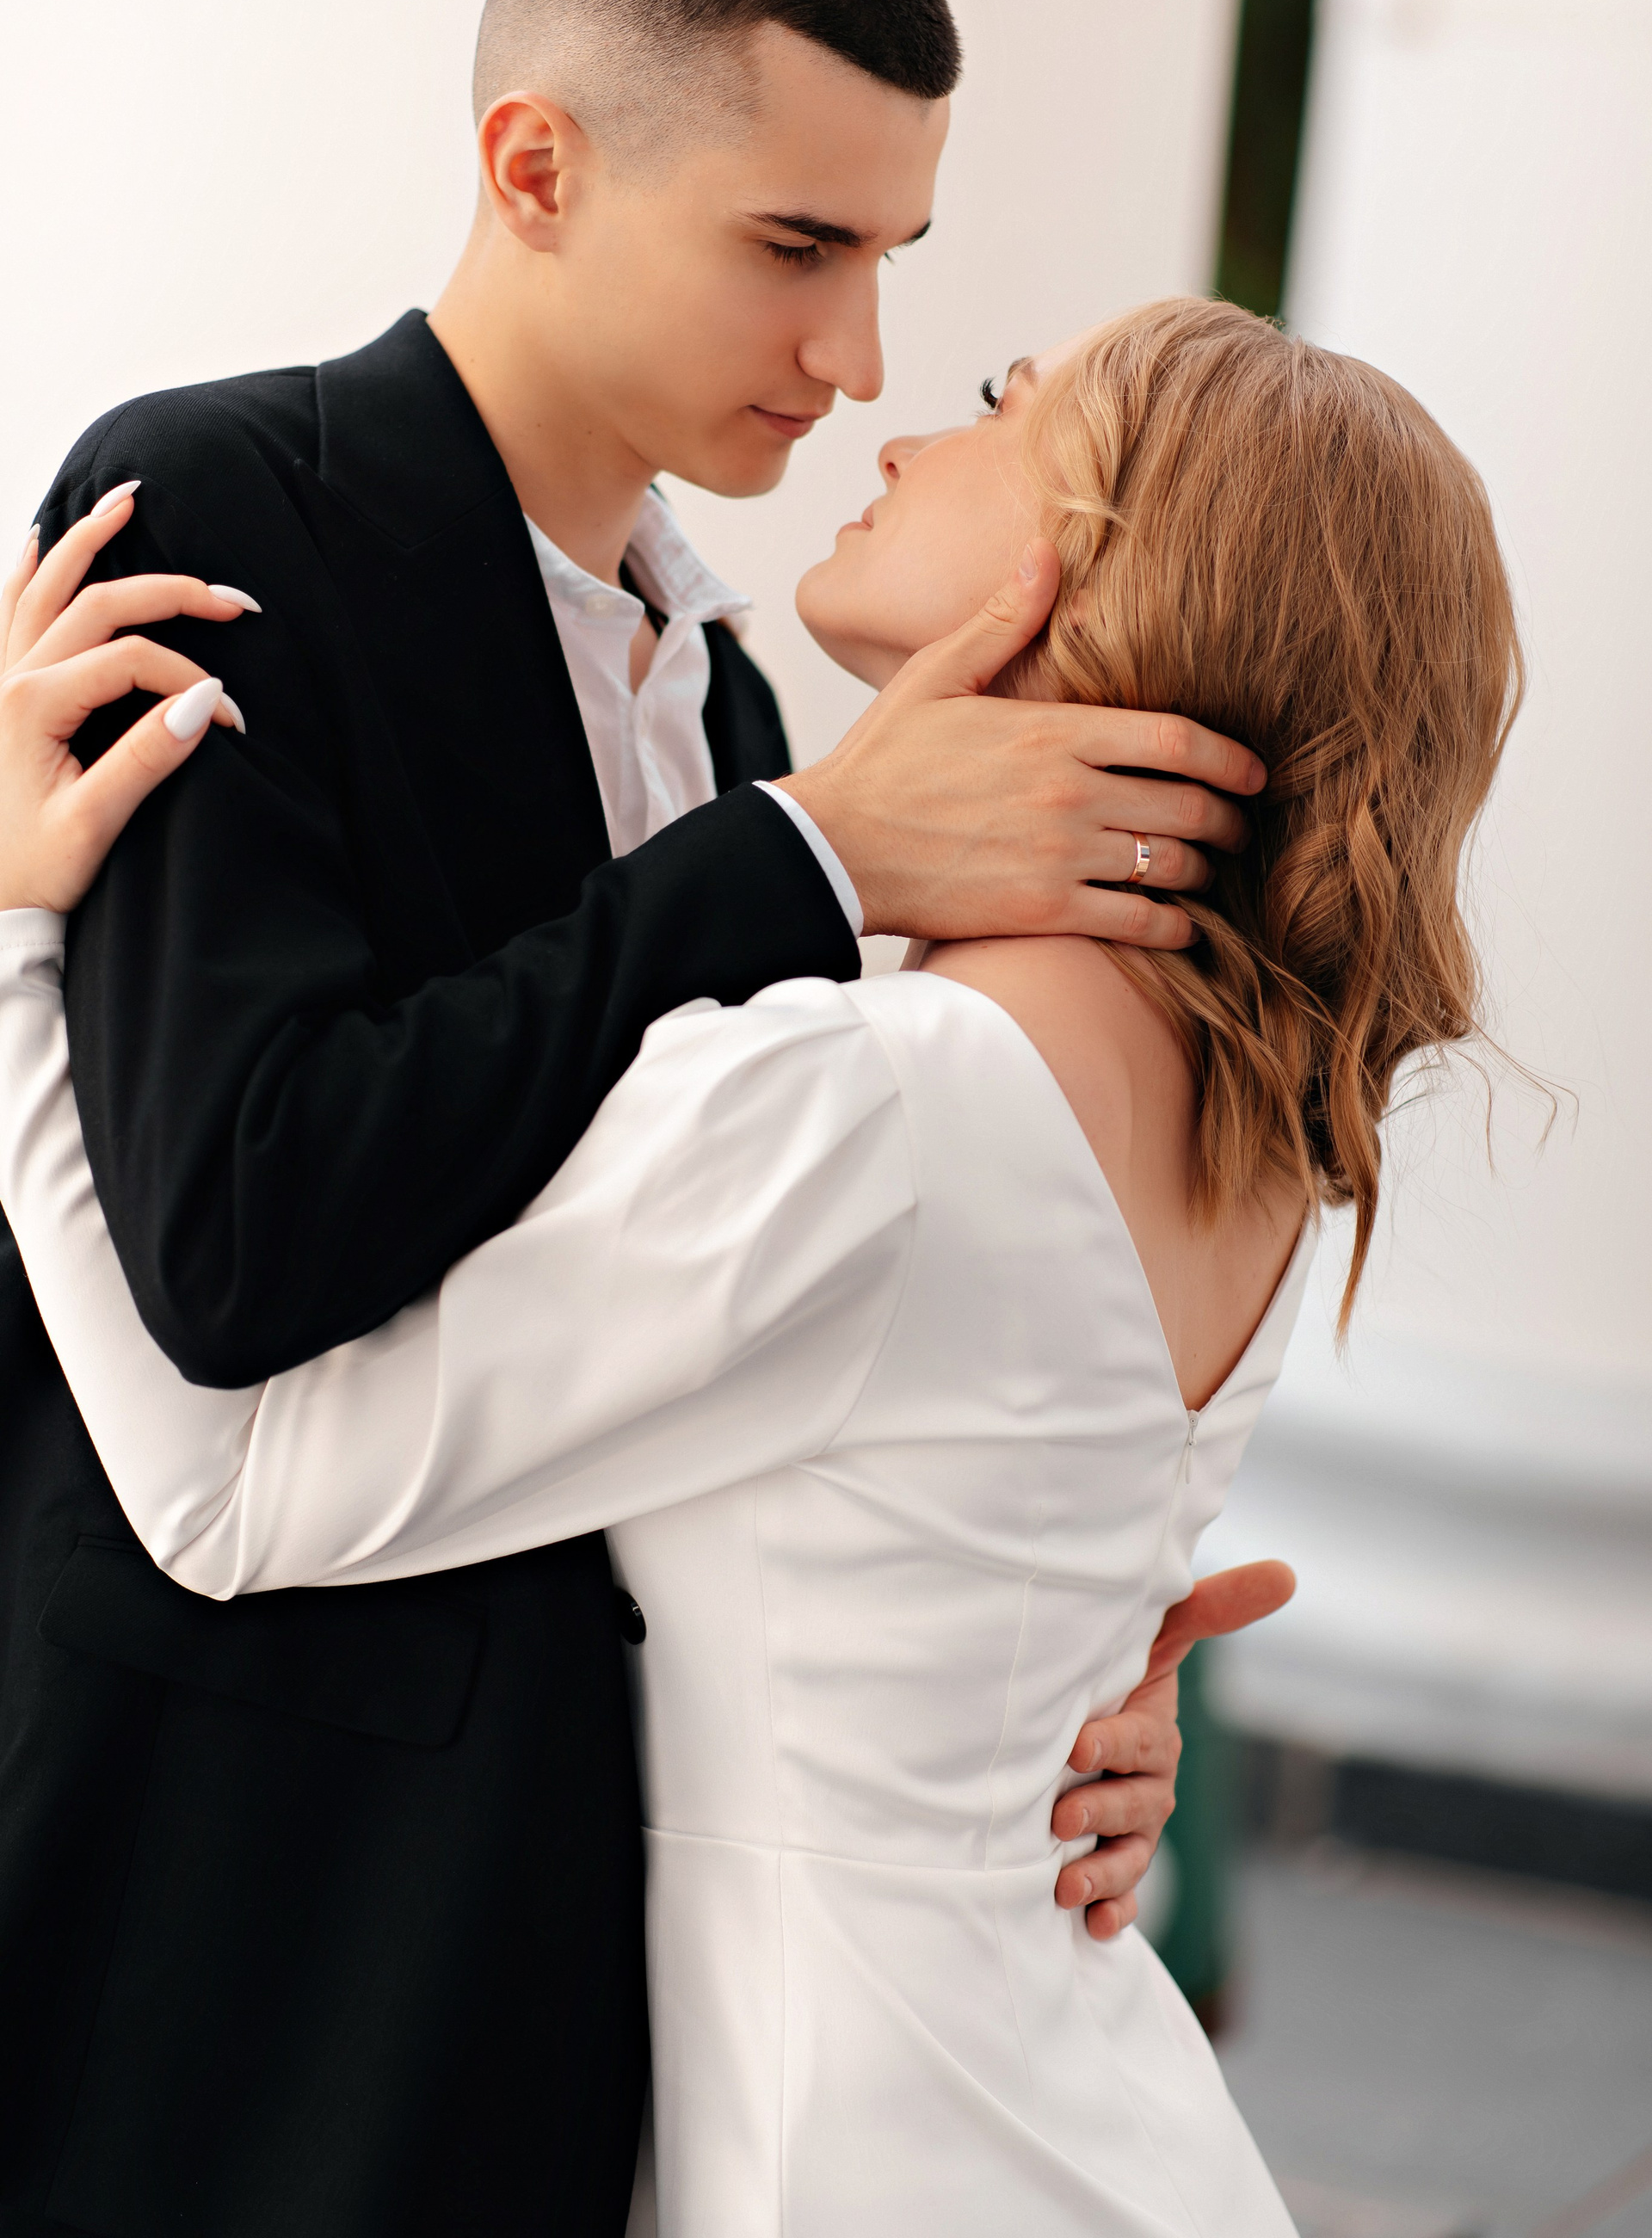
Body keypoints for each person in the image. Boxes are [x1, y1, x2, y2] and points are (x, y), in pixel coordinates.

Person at [2, 0, 1267, 2238]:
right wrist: (797, 864)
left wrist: (1061, 1659)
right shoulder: (226, 511)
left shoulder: (749, 711)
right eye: (796, 248)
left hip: (590, 1971)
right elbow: (243, 1239)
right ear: (538, 168)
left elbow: (745, 1330)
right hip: (224, 1927)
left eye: (889, 261)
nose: (854, 356)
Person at [0, 299, 1523, 2233]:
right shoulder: (1253, 1119)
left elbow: (228, 1494)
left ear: (1117, 565)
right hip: (1050, 2113)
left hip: (866, 2162)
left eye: (1003, 407)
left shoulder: (885, 1092)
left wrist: (17, 949)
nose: (893, 419)